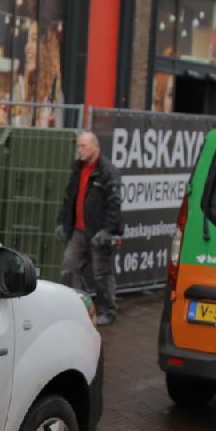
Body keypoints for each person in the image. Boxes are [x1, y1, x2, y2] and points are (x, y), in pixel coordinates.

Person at [57, 130, 123, 326]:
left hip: (99, 232)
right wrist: (62, 222)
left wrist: (108, 231)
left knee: (102, 273)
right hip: (78, 230)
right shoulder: (78, 169)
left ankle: (108, 311)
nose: (80, 150)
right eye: (78, 146)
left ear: (95, 146)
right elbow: (69, 198)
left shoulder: (107, 172)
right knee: (69, 267)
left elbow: (114, 204)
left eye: (83, 146)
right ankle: (77, 306)